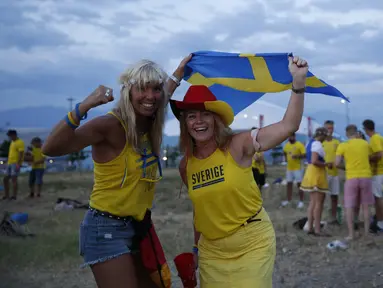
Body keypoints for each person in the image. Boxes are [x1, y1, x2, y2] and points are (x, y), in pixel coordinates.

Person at [42, 56, 191, 288]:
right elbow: (50, 148)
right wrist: (85, 106)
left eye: (155, 89)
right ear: (128, 92)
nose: (150, 96)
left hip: (138, 227)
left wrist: (179, 72)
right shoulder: (110, 126)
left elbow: (164, 96)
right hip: (106, 230)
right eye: (142, 88)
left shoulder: (148, 121)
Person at [173, 56, 308, 287]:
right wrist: (196, 248)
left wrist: (298, 83)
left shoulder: (238, 144)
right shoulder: (186, 164)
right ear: (184, 123)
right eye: (191, 116)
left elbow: (288, 126)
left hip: (251, 242)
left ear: (216, 119)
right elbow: (200, 210)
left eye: (205, 114)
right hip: (211, 251)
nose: (199, 121)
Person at [335, 125, 374, 240]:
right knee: (366, 207)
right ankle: (367, 233)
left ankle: (351, 234)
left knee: (349, 207)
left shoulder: (342, 145)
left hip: (351, 177)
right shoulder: (365, 144)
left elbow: (336, 163)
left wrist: (346, 167)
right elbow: (370, 157)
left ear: (347, 134)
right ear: (357, 133)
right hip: (365, 176)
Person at [301, 127, 330, 236]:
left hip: (310, 172)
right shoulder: (317, 144)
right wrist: (326, 164)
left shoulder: (310, 143)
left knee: (313, 202)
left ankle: (310, 227)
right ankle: (317, 229)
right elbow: (314, 160)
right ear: (321, 135)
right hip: (317, 173)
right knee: (319, 202)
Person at [362, 119, 383, 233]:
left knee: (378, 198)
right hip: (379, 172)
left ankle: (380, 223)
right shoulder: (378, 137)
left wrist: (367, 158)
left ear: (365, 128)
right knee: (378, 197)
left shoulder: (374, 139)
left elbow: (379, 154)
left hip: (378, 172)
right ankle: (379, 219)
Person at [322, 120, 341, 224]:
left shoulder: (337, 142)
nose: (330, 130)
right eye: (328, 128)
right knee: (321, 197)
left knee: (334, 196)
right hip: (323, 174)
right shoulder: (321, 143)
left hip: (334, 174)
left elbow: (340, 158)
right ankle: (321, 218)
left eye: (331, 128)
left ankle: (333, 218)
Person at [281, 132, 306, 208]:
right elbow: (284, 152)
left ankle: (301, 201)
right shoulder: (287, 145)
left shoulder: (299, 145)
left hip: (297, 168)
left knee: (299, 185)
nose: (290, 138)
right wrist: (285, 159)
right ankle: (289, 200)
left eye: (291, 136)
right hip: (289, 168)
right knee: (289, 184)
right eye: (289, 137)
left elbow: (304, 155)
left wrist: (297, 156)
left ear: (294, 136)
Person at [2, 129, 25, 200]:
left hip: (15, 163)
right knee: (5, 179)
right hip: (9, 162)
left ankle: (14, 196)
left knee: (14, 179)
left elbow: (21, 154)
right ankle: (6, 195)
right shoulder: (12, 142)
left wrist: (18, 163)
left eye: (10, 136)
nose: (9, 137)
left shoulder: (20, 142)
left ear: (14, 135)